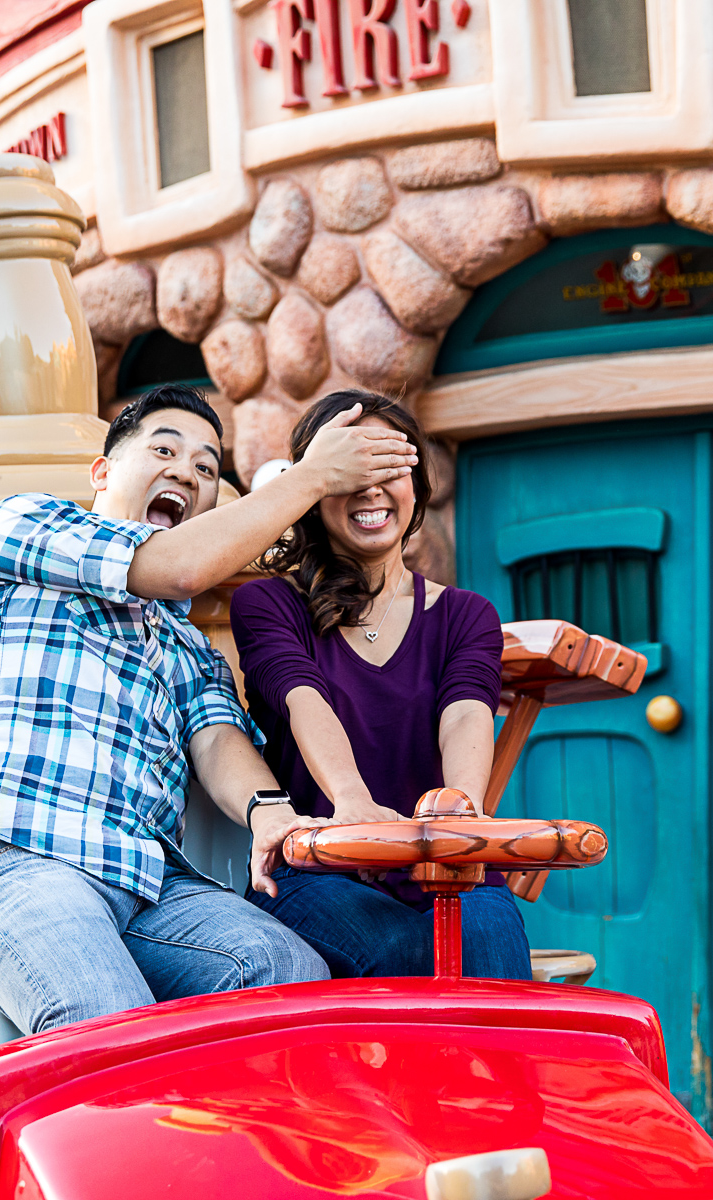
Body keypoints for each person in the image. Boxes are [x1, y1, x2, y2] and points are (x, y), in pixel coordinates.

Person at [0, 383, 416, 1134]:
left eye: (205, 466)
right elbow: (182, 568)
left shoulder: (188, 642)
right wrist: (315, 475)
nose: (188, 472)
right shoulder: (26, 527)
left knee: (290, 976)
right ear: (101, 473)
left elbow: (218, 738)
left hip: (149, 881)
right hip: (24, 856)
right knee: (114, 1037)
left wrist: (270, 813)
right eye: (164, 451)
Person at [230, 390, 531, 980]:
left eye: (390, 468)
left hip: (444, 864)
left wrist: (460, 817)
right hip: (316, 866)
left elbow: (467, 714)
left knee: (492, 958)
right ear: (314, 490)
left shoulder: (466, 615)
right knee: (411, 956)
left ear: (416, 485)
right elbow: (301, 698)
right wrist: (353, 803)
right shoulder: (267, 603)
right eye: (351, 470)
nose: (371, 489)